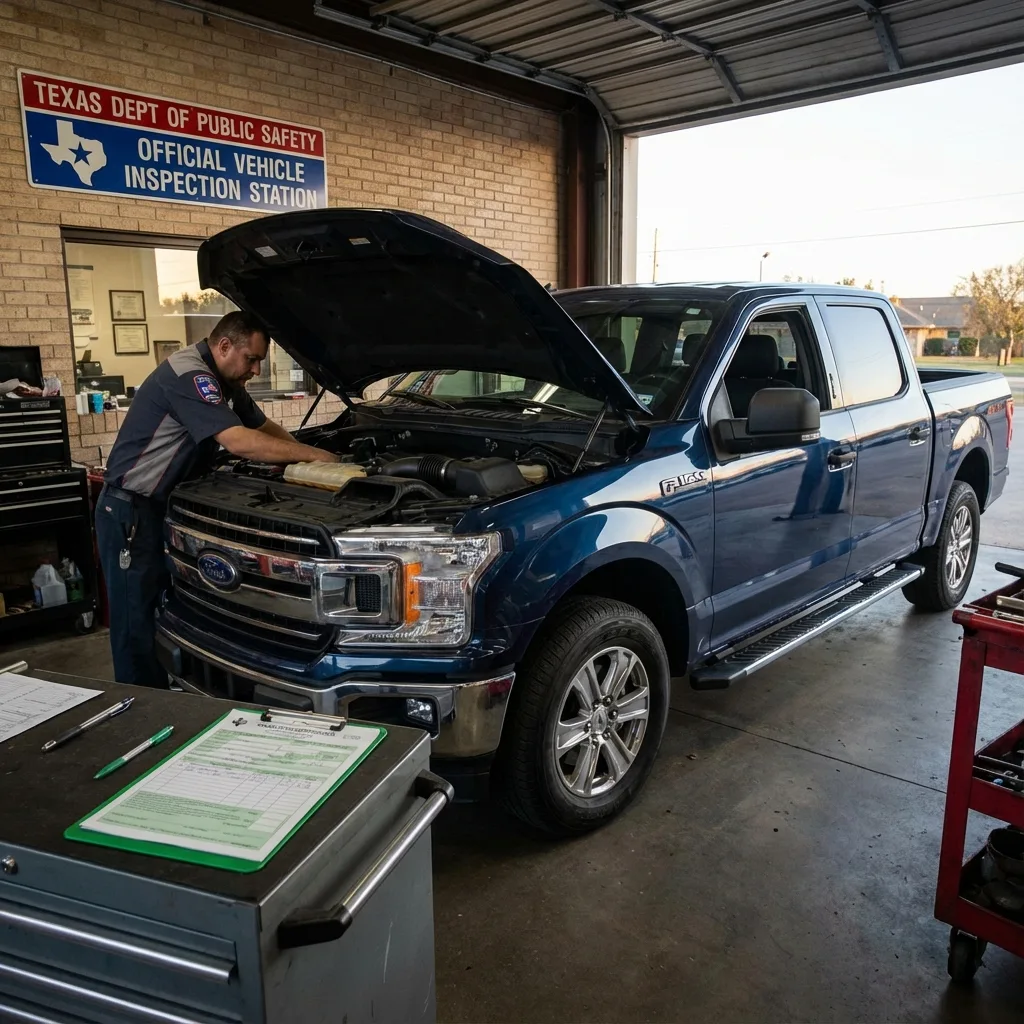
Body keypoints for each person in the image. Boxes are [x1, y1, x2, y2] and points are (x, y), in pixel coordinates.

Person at [96, 310, 337, 688]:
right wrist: (314, 457)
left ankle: (177, 693)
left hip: (162, 510)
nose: (256, 370)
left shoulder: (226, 380)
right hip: (130, 512)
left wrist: (316, 456)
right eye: (252, 359)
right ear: (224, 346)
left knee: (168, 610)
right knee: (135, 622)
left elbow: (259, 426)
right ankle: (138, 710)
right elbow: (239, 441)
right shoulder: (190, 376)